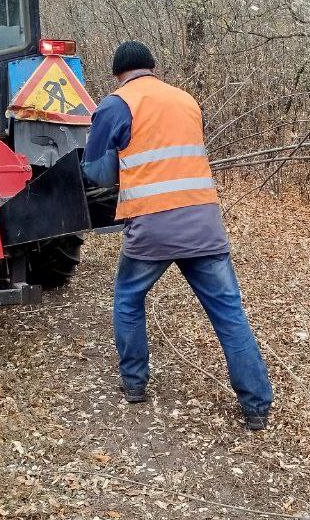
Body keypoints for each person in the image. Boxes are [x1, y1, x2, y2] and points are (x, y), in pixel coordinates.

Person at [82, 41, 273, 431]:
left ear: (118, 73)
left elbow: (97, 174)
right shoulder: (187, 100)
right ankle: (256, 406)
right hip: (203, 223)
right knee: (229, 313)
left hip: (152, 226)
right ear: (152, 67)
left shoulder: (116, 104)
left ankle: (134, 384)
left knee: (129, 298)